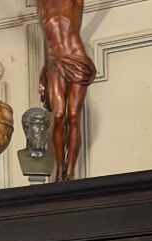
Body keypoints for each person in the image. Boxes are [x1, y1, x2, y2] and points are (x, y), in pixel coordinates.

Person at [35, 0, 96, 182]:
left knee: (73, 115)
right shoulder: (41, 3)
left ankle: (70, 172)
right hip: (54, 62)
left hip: (77, 58)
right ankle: (59, 170)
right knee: (59, 114)